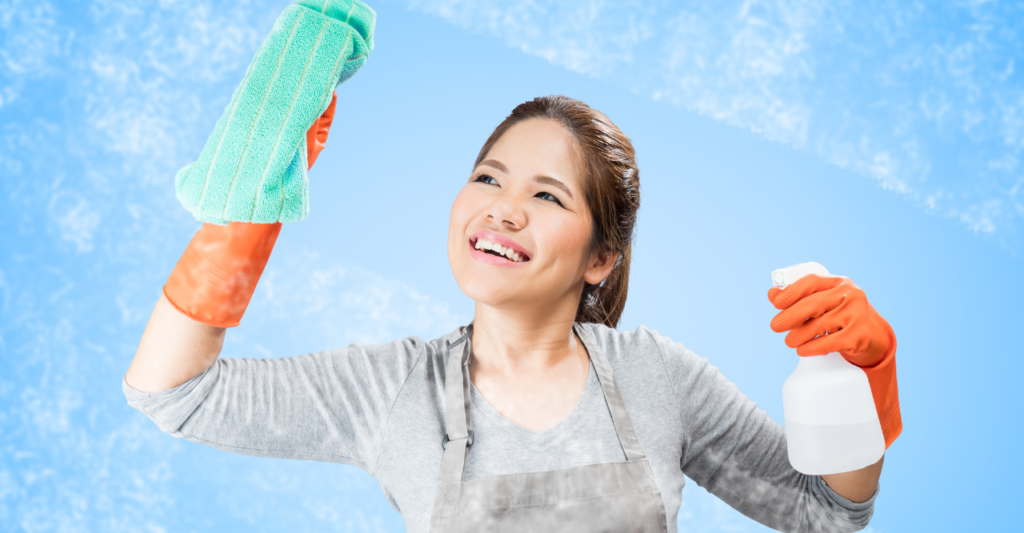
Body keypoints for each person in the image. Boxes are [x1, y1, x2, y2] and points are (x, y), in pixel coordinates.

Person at [124, 94, 901, 532]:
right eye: (489, 179)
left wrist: (865, 383)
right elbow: (175, 392)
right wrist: (250, 214)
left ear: (603, 257)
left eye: (546, 195)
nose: (503, 210)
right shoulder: (396, 389)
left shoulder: (655, 377)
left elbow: (823, 513)